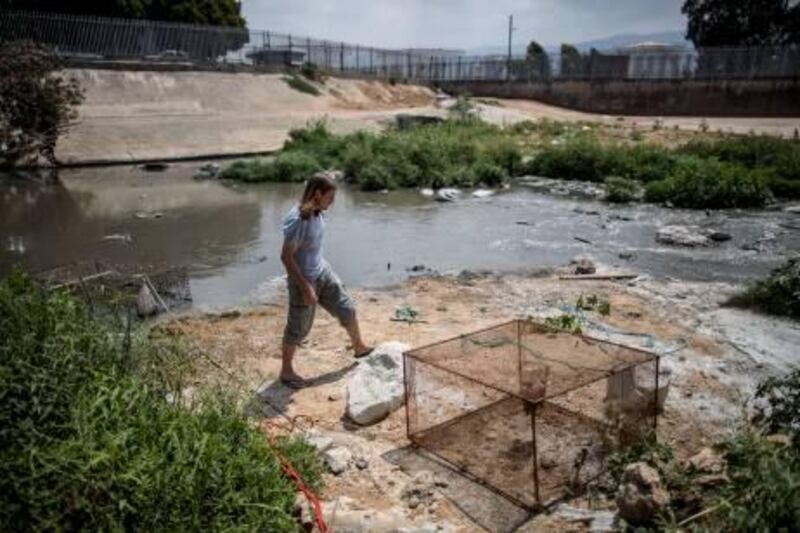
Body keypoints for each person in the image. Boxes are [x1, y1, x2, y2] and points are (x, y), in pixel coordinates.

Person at [279, 174, 372, 389]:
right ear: (317, 193)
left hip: (322, 270)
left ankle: (359, 347)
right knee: (298, 328)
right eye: (330, 197)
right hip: (304, 279)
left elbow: (312, 247)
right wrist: (305, 287)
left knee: (347, 307)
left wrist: (322, 270)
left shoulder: (318, 212)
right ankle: (286, 371)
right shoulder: (298, 220)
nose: (333, 201)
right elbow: (286, 256)